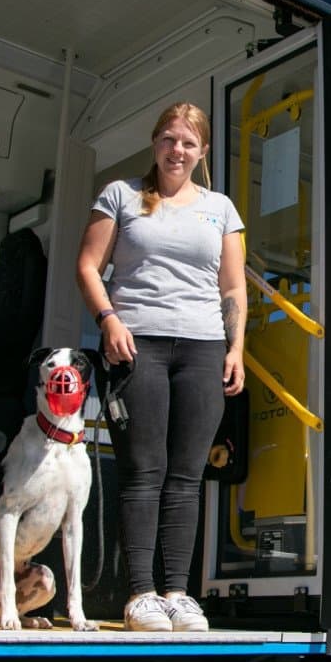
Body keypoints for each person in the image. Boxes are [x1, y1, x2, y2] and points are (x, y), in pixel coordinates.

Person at [76, 102, 247, 632]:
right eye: (170, 139)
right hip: (137, 344)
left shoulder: (220, 207)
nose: (178, 150)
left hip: (202, 348)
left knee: (186, 476)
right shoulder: (121, 195)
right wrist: (108, 319)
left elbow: (233, 287)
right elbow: (88, 264)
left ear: (203, 152)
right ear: (156, 142)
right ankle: (141, 594)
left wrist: (235, 347)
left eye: (188, 143)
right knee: (142, 472)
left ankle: (178, 592)